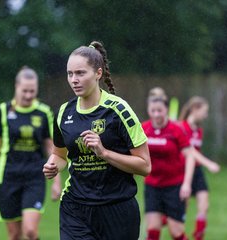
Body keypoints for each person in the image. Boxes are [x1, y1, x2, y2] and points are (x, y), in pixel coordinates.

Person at [43, 41, 151, 240]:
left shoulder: (119, 111)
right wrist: (53, 165)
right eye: (70, 74)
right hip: (75, 207)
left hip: (117, 209)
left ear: (98, 73)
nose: (74, 79)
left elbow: (144, 166)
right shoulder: (63, 113)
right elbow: (59, 155)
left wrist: (104, 153)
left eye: (80, 73)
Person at [0, 66, 61, 240]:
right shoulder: (3, 112)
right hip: (8, 177)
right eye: (25, 90)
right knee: (14, 235)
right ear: (16, 86)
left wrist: (56, 181)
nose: (28, 95)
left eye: (32, 91)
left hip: (34, 177)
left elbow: (51, 147)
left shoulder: (44, 113)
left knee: (30, 231)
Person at [141, 89, 195, 240]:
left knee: (176, 233)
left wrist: (187, 184)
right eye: (153, 110)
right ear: (148, 110)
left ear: (166, 110)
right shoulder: (143, 129)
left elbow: (190, 156)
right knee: (152, 232)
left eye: (160, 110)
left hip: (174, 187)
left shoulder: (176, 130)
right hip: (152, 186)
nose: (156, 114)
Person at [178, 96, 220, 240]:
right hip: (183, 171)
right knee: (182, 209)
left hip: (197, 171)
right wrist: (209, 163)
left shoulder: (199, 130)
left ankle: (198, 235)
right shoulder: (182, 128)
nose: (206, 115)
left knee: (204, 205)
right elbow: (191, 152)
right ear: (195, 109)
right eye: (204, 111)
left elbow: (196, 152)